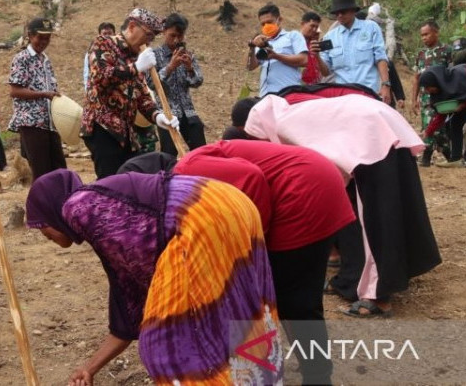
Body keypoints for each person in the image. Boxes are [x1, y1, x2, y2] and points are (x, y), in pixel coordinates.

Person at [121, 140, 356, 385]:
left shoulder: (186, 171)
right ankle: (312, 368)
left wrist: (257, 241)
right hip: (310, 181)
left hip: (302, 189)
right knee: (296, 297)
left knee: (295, 302)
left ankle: (318, 378)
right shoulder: (186, 178)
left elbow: (251, 177)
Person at [25, 169, 282, 385]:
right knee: (236, 309)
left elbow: (143, 282)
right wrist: (89, 368)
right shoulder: (104, 206)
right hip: (231, 204)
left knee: (164, 340)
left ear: (50, 208)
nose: (43, 234)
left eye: (41, 225)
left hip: (200, 218)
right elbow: (127, 307)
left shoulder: (77, 206)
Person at [244, 93, 442, 318]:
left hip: (372, 137)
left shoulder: (287, 126)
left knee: (376, 219)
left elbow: (321, 174)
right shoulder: (297, 114)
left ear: (262, 127)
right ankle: (352, 277)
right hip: (377, 126)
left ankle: (377, 296)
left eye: (255, 137)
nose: (259, 145)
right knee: (364, 212)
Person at [81, 8, 179, 179]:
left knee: (129, 179)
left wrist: (158, 116)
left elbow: (142, 95)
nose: (148, 43)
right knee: (110, 181)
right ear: (132, 26)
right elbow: (100, 77)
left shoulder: (136, 56)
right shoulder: (103, 43)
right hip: (102, 127)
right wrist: (136, 67)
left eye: (152, 39)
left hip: (127, 132)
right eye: (148, 35)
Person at [8, 17, 67, 182]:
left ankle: (57, 206)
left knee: (59, 169)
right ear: (30, 35)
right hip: (32, 123)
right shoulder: (22, 59)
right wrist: (44, 94)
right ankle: (41, 207)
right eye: (40, 37)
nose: (44, 41)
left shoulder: (45, 60)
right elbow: (15, 90)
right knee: (41, 173)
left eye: (47, 38)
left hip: (49, 123)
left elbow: (50, 88)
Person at [148, 13, 206, 155]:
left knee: (201, 153)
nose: (176, 40)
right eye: (172, 35)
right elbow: (151, 84)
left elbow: (198, 82)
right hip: (167, 115)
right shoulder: (154, 55)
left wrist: (190, 68)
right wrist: (170, 67)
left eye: (180, 36)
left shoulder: (188, 54)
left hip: (189, 113)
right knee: (168, 156)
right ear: (163, 32)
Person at [319, 0, 392, 103]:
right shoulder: (329, 37)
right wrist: (315, 56)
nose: (339, 15)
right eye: (336, 13)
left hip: (369, 93)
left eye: (342, 12)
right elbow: (325, 72)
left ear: (353, 10)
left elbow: (380, 58)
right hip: (343, 97)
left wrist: (385, 85)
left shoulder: (371, 28)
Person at [412, 20, 453, 166]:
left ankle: (449, 155)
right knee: (428, 125)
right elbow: (416, 78)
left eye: (426, 34)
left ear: (436, 33)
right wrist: (414, 99)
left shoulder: (447, 51)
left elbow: (452, 74)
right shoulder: (421, 54)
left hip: (442, 98)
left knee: (438, 127)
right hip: (425, 98)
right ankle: (430, 157)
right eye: (422, 35)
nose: (424, 38)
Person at [246, 3, 308, 96]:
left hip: (288, 94)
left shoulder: (292, 36)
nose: (266, 26)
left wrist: (276, 56)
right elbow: (250, 67)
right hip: (265, 96)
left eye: (270, 22)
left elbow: (304, 60)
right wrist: (252, 48)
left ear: (280, 20)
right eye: (263, 24)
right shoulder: (261, 42)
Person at [419, 64, 466, 167]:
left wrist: (463, 104)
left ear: (434, 82)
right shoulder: (441, 91)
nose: (427, 91)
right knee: (455, 124)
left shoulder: (459, 76)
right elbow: (441, 114)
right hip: (461, 106)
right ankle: (456, 159)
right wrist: (428, 132)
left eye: (428, 87)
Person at [83, 22, 116, 90]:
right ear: (99, 35)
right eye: (104, 33)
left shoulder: (119, 51)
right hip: (97, 89)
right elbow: (87, 73)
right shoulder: (91, 53)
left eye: (110, 33)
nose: (107, 36)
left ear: (114, 34)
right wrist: (87, 89)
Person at [299, 11, 327, 85]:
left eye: (316, 27)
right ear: (302, 24)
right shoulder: (293, 42)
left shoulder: (314, 45)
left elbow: (324, 72)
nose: (314, 30)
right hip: (298, 87)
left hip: (315, 87)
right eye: (312, 26)